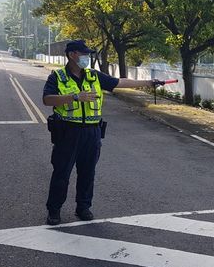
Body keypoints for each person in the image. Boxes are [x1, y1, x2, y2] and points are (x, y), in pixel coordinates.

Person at [42, 39, 166, 226]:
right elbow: (47, 100)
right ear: (72, 55)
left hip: (92, 133)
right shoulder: (58, 77)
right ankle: (54, 211)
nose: (87, 57)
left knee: (87, 172)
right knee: (62, 173)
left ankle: (83, 207)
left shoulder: (93, 76)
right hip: (68, 133)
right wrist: (75, 97)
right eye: (84, 54)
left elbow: (120, 82)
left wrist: (148, 82)